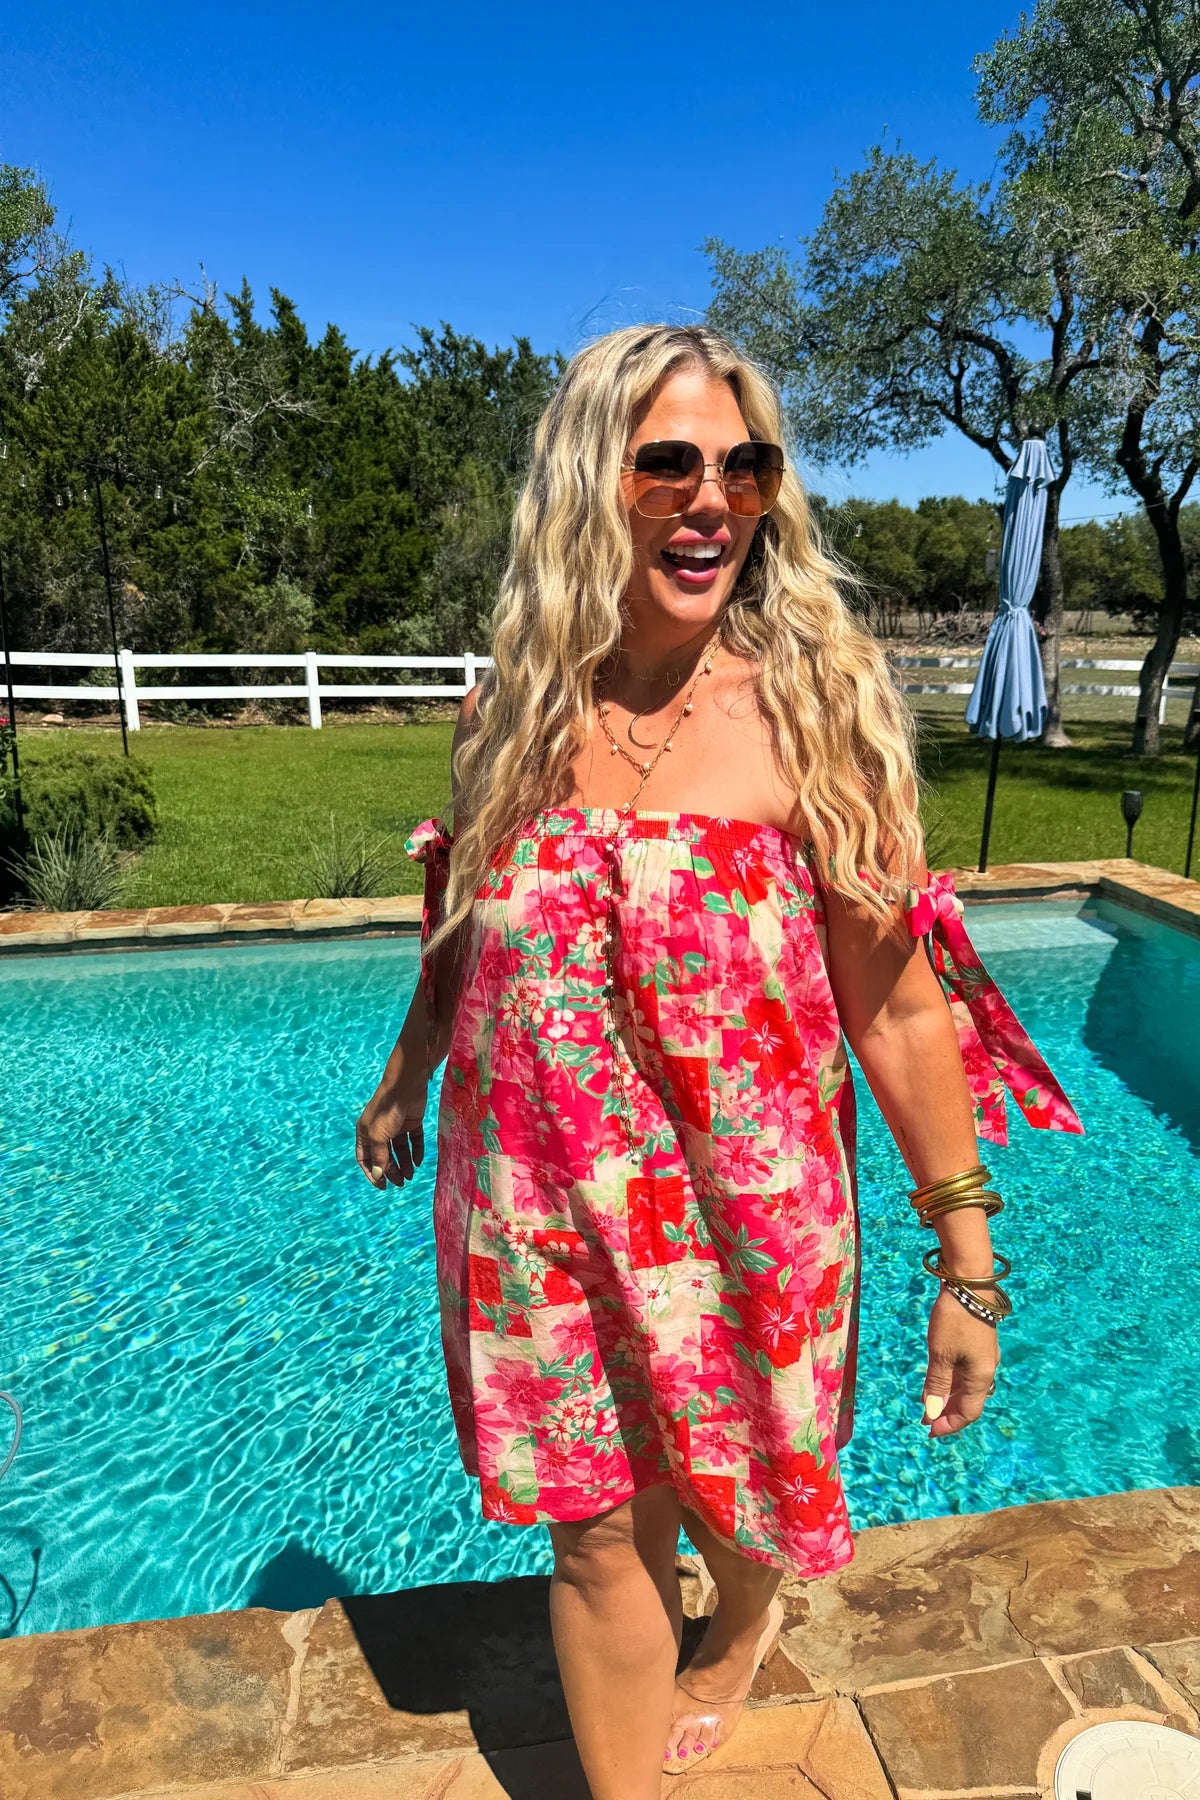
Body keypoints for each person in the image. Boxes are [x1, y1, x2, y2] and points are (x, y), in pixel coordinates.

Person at [355, 323, 1084, 1800]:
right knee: (595, 1535)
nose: (713, 500)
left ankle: (745, 1626)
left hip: (747, 1215)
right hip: (535, 1211)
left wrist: (968, 1262)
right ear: (588, 483)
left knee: (743, 1494)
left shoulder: (817, 712)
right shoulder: (509, 711)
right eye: (668, 465)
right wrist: (406, 1071)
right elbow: (468, 925)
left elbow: (898, 1009)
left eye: (744, 469)